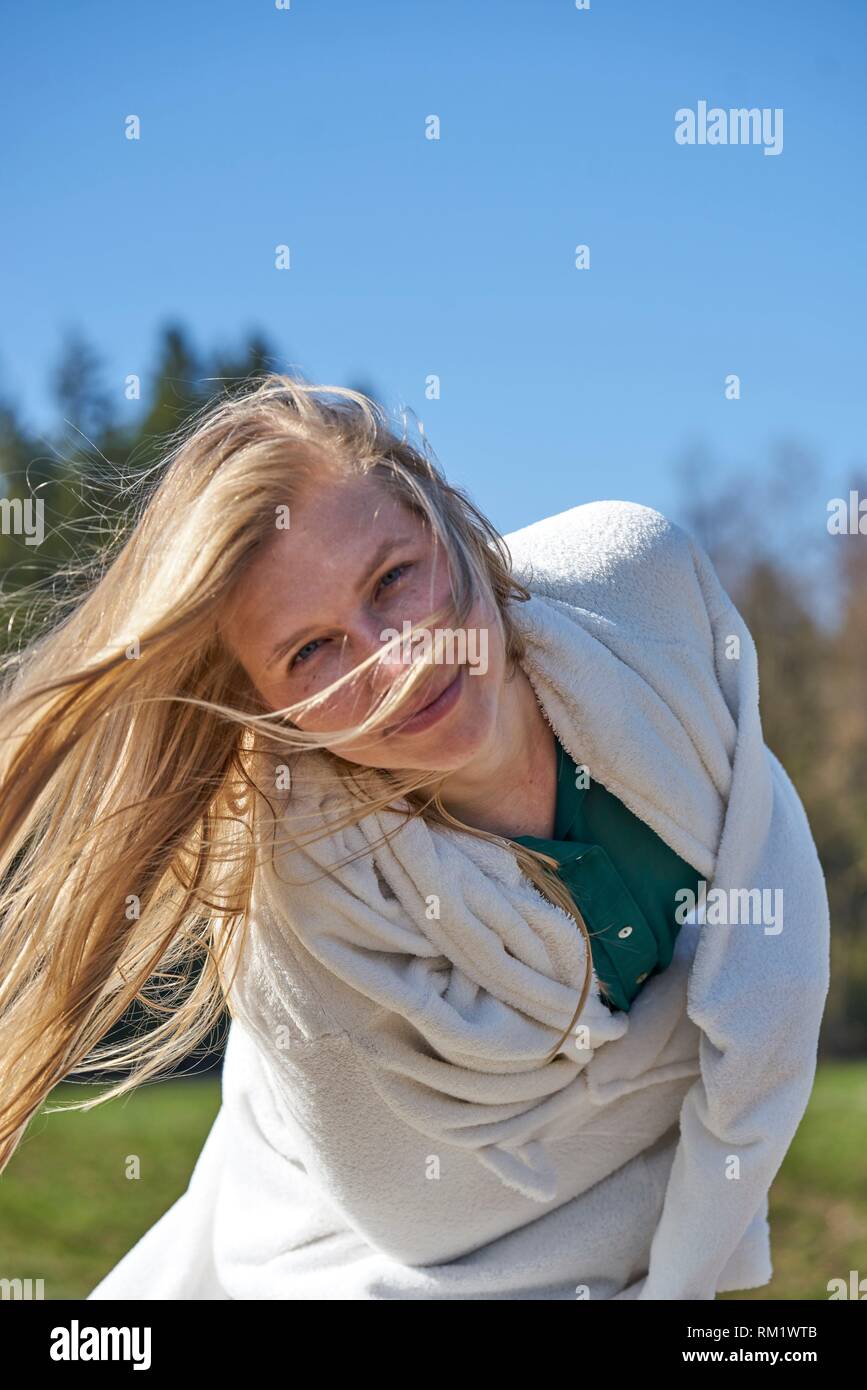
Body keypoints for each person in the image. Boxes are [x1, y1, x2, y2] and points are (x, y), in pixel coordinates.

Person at [0, 375, 830, 1300]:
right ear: (270, 710)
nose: (395, 664)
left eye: (393, 579)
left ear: (447, 517)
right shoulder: (300, 894)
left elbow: (772, 893)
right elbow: (420, 1220)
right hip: (337, 1254)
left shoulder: (641, 592)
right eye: (312, 651)